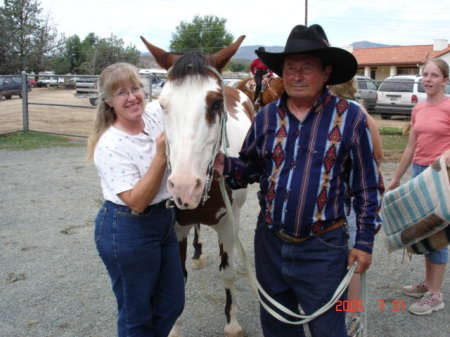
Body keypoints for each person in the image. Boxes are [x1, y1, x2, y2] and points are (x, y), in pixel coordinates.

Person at [214, 24, 384, 337]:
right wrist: (223, 165)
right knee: (277, 328)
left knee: (328, 330)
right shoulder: (265, 117)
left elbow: (368, 187)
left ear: (326, 72)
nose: (296, 75)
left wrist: (363, 242)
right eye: (290, 68)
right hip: (270, 245)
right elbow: (251, 168)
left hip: (323, 248)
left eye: (306, 67)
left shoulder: (351, 118)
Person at [87, 63, 185, 336]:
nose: (131, 97)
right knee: (136, 315)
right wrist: (161, 155)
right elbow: (137, 201)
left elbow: (177, 97)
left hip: (164, 222)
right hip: (128, 228)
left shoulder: (152, 116)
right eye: (121, 93)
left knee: (172, 303)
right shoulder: (110, 144)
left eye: (135, 88)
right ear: (108, 100)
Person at [387, 58, 450, 316]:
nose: (428, 79)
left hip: (442, 176)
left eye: (434, 75)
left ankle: (435, 295)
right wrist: (396, 178)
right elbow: (411, 147)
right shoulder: (419, 109)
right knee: (423, 233)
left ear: (445, 80)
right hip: (419, 173)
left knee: (439, 234)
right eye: (425, 75)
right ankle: (428, 283)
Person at [330, 78, 384, 337]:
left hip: (351, 200)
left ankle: (352, 317)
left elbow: (376, 157)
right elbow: (380, 157)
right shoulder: (355, 111)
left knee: (352, 258)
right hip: (344, 199)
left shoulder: (353, 113)